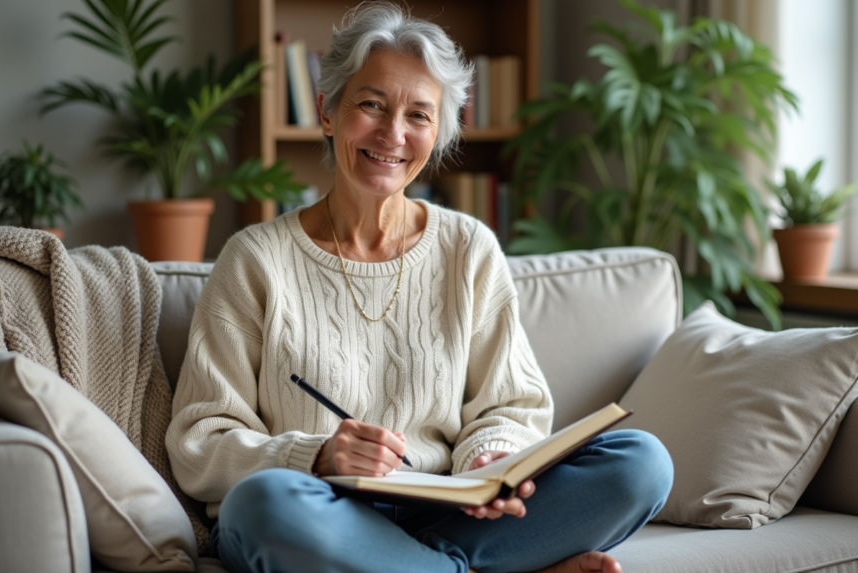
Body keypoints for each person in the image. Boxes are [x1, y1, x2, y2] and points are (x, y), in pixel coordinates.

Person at [165, 3, 673, 572]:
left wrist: (491, 459)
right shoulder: (255, 259)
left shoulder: (469, 249)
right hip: (321, 512)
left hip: (447, 514)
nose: (393, 134)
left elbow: (512, 405)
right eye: (371, 104)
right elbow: (201, 441)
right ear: (327, 112)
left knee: (641, 462)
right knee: (261, 506)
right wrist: (318, 456)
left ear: (440, 133)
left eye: (419, 116)